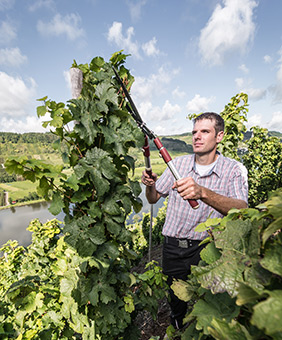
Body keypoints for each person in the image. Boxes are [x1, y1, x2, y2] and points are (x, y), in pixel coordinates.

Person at [141, 112, 248, 330]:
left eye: (205, 131)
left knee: (210, 297)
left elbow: (242, 209)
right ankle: (178, 323)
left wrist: (203, 193)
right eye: (194, 132)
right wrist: (149, 185)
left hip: (208, 248)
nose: (197, 137)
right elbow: (152, 199)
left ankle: (209, 330)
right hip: (173, 247)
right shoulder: (176, 165)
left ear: (219, 136)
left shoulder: (233, 169)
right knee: (176, 295)